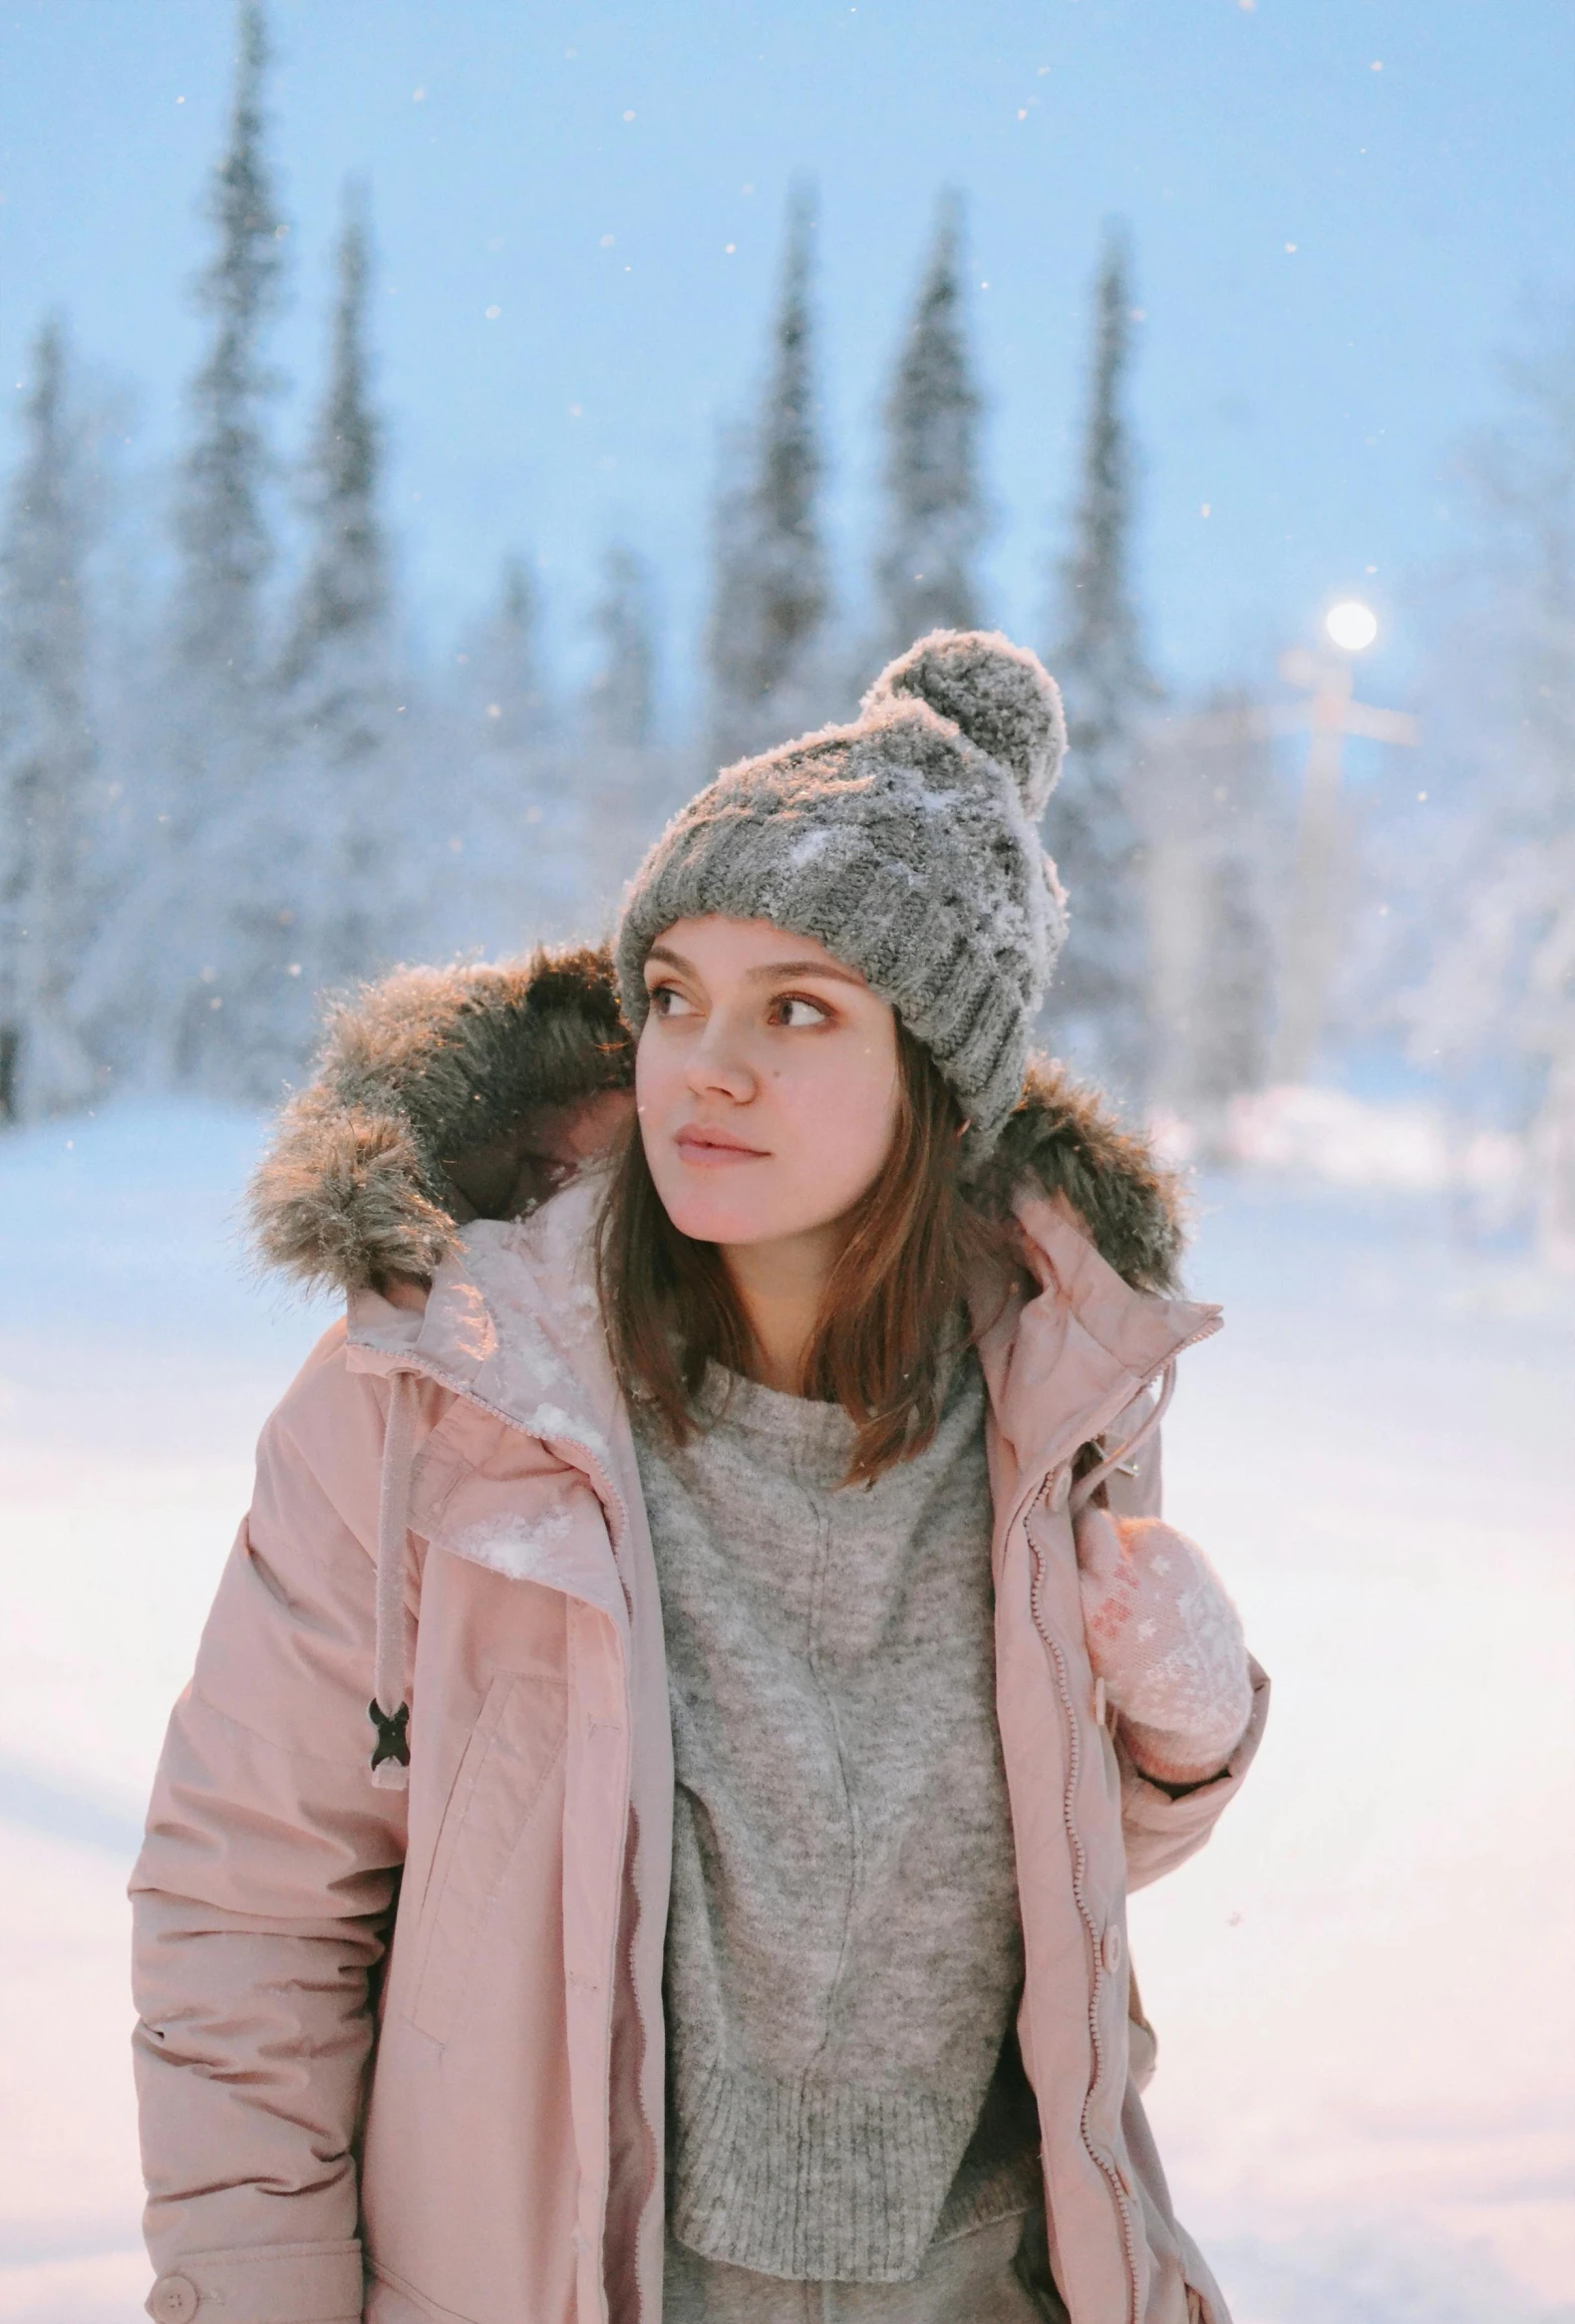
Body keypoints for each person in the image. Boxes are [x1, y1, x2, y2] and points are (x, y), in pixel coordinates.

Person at [132, 630, 1267, 2324]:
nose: (702, 1064)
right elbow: (252, 1910)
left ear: (936, 1080)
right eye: (672, 994)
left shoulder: (1057, 1385)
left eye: (795, 1009)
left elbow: (994, 1863)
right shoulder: (445, 1388)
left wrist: (1184, 1738)